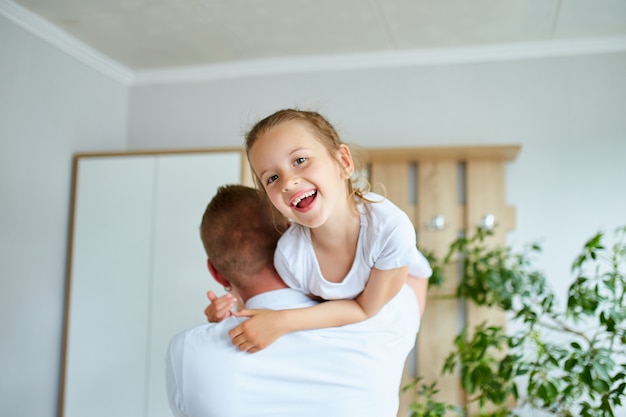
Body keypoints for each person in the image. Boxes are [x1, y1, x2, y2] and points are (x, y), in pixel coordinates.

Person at [165, 184, 423, 417]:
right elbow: (414, 271)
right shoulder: (386, 315)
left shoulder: (186, 352)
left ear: (216, 272)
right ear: (292, 236)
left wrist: (217, 327)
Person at [224, 109, 431, 353]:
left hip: (403, 288)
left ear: (343, 162)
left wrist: (282, 322)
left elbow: (365, 309)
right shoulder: (290, 257)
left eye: (300, 160)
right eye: (272, 178)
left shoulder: (389, 229)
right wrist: (227, 309)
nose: (288, 182)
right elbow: (295, 306)